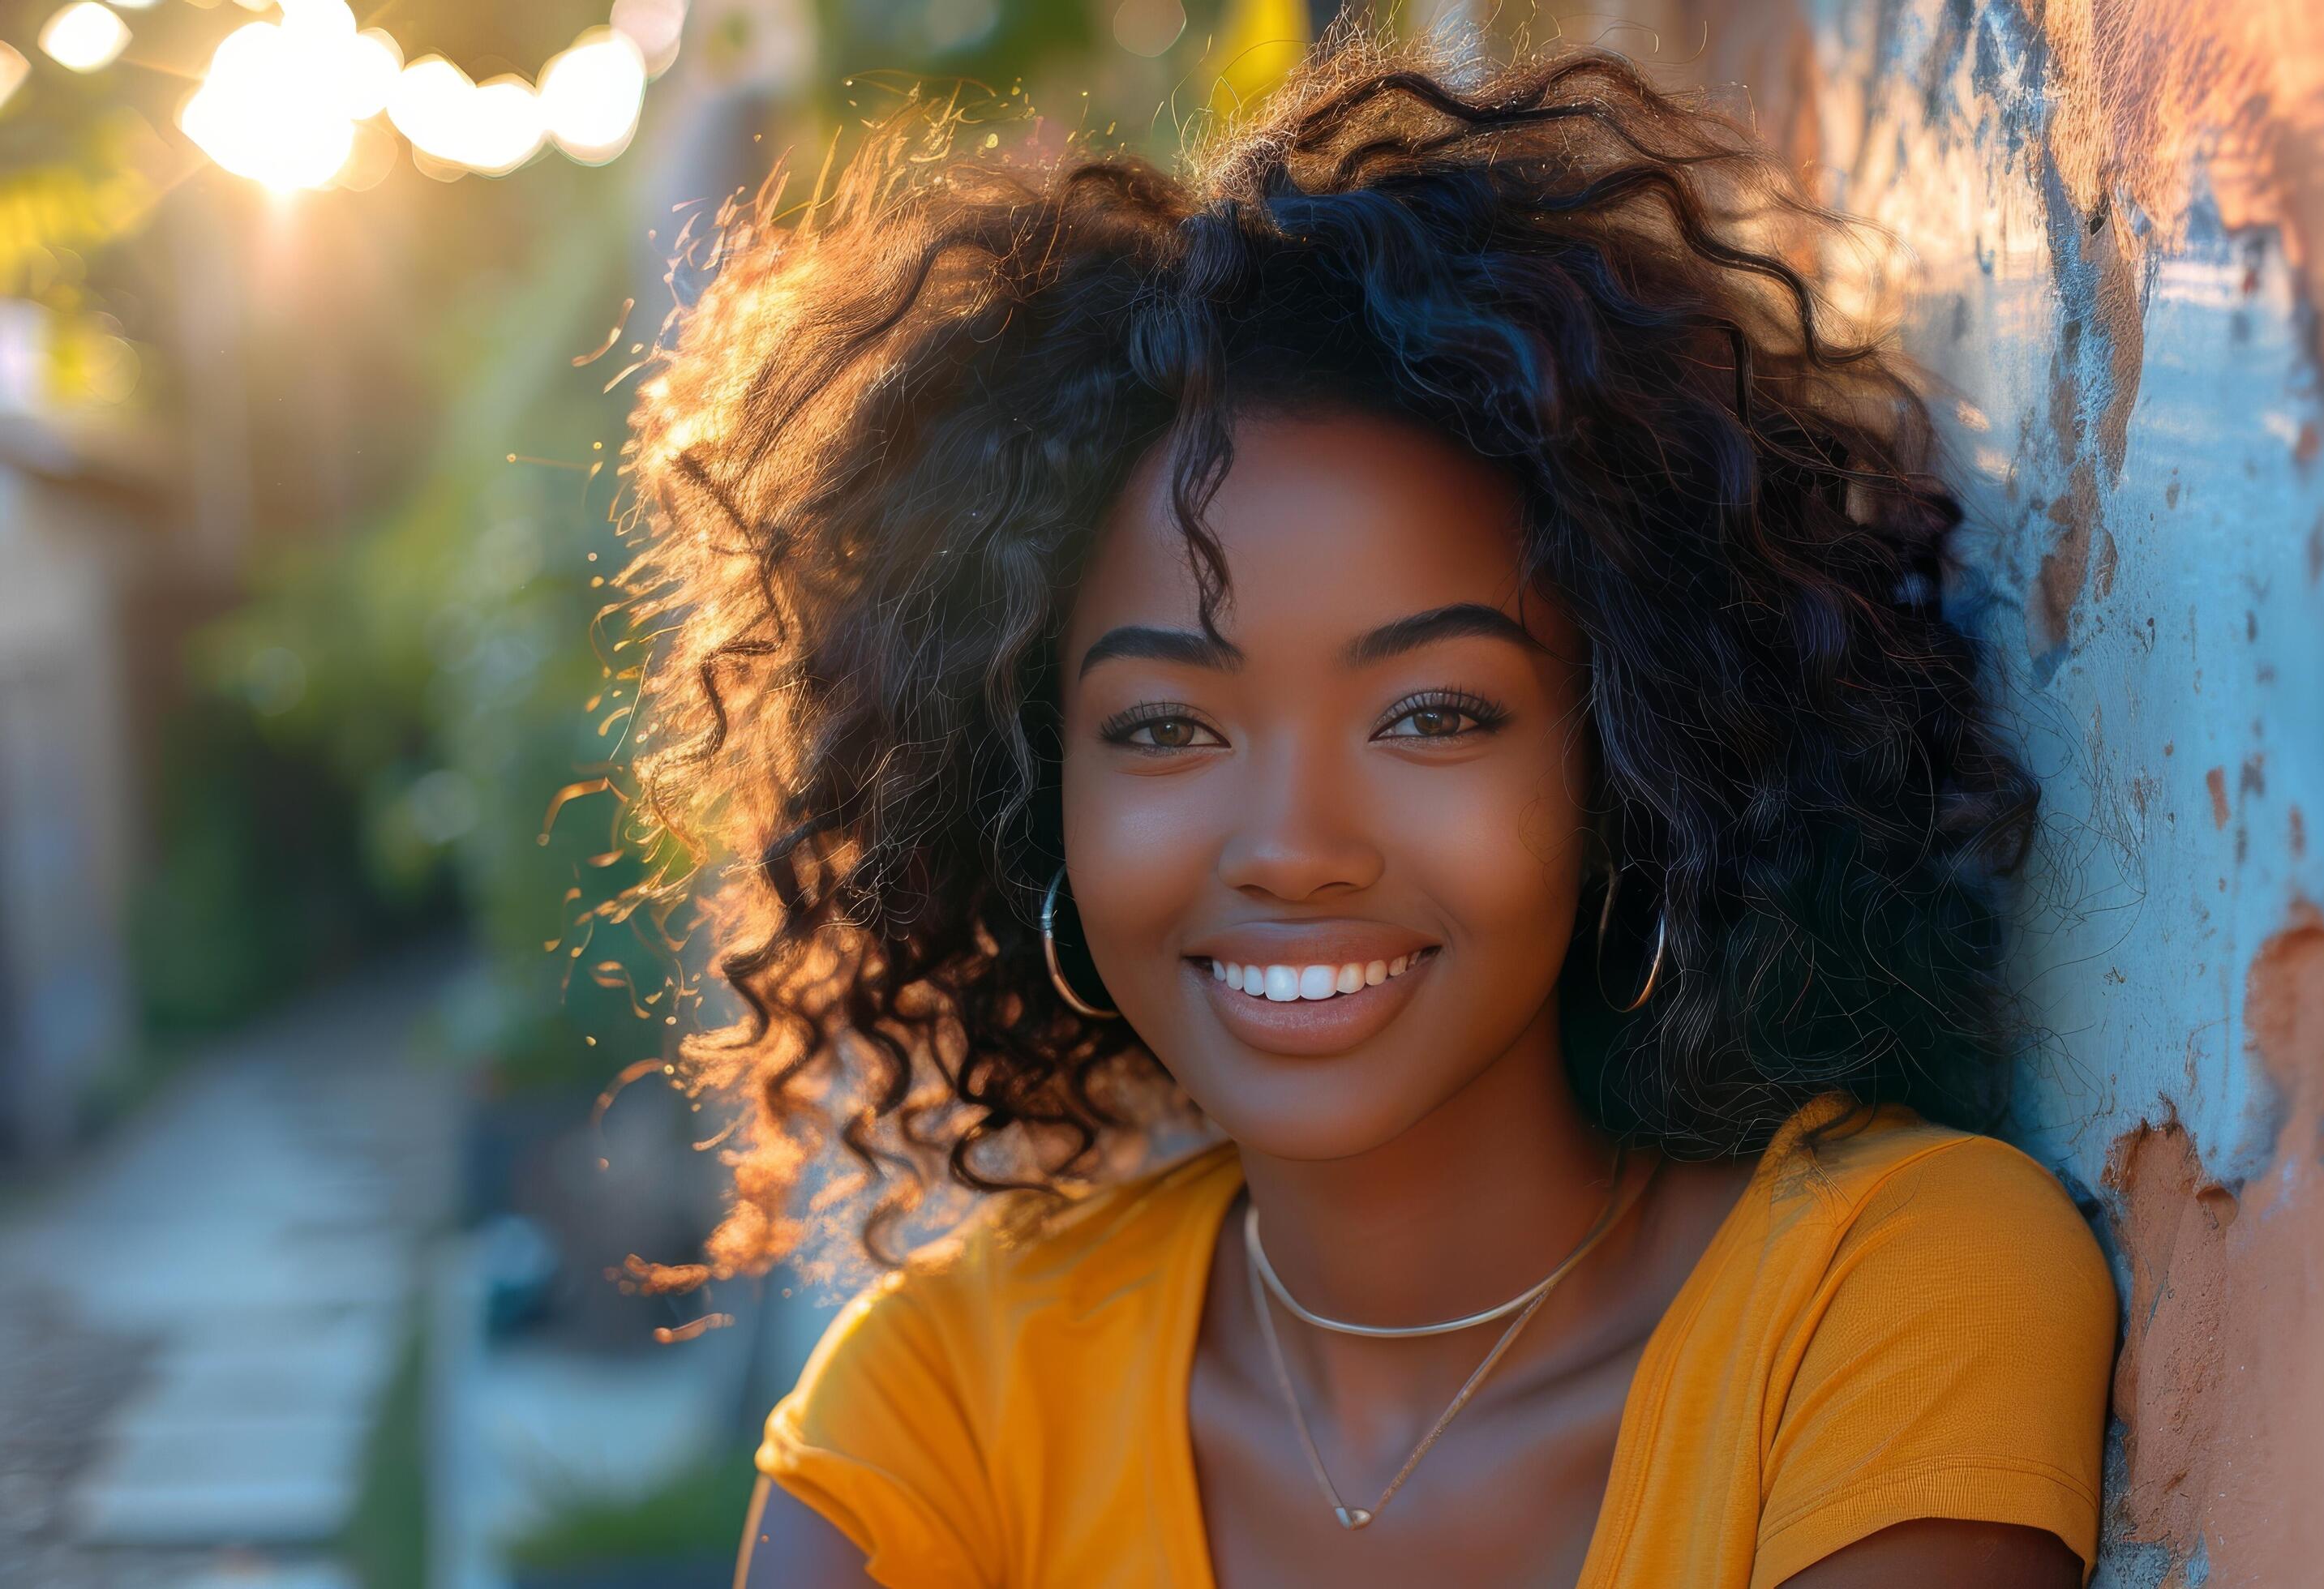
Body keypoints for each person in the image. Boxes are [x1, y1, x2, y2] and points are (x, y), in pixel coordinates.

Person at [615, 29, 2117, 1589]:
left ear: (1635, 755)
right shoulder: (942, 1410)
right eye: (1167, 725)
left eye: (1435, 714)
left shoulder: (1890, 1299)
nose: (1292, 847)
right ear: (1026, 791)